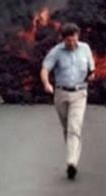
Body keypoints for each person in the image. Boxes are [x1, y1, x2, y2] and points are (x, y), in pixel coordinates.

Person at [40, 23, 95, 180]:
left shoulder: (85, 48)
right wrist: (46, 84)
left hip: (79, 93)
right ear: (63, 39)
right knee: (67, 128)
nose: (72, 43)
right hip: (61, 94)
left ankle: (72, 163)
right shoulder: (56, 52)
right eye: (68, 41)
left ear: (78, 36)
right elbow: (45, 69)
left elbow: (92, 67)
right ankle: (73, 155)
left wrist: (92, 74)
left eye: (74, 40)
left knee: (74, 128)